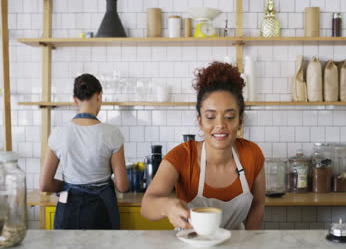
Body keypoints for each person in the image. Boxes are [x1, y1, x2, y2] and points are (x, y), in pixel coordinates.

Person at [141, 62, 265, 230]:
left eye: (229, 117)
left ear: (240, 121)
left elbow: (258, 204)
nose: (220, 124)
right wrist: (167, 207)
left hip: (238, 248)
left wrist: (249, 242)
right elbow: (147, 206)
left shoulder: (252, 154)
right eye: (210, 117)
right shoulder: (182, 156)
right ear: (199, 121)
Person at [40, 73, 128, 229]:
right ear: (99, 96)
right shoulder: (112, 133)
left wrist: (70, 186)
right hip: (103, 210)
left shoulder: (58, 133)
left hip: (68, 206)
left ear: (75, 99)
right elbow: (122, 186)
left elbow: (45, 185)